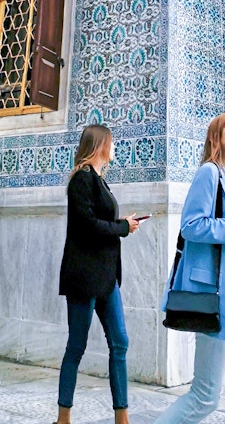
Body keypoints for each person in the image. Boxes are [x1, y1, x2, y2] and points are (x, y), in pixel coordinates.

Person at [156, 112, 225, 424]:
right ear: (215, 137)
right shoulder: (210, 173)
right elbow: (192, 226)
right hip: (216, 295)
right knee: (206, 396)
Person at [55, 125, 139, 424]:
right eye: (111, 143)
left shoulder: (100, 181)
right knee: (77, 345)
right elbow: (87, 225)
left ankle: (122, 416)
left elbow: (101, 221)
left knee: (120, 341)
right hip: (85, 275)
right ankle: (63, 416)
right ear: (100, 145)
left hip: (106, 277)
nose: (114, 148)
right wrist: (122, 227)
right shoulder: (82, 178)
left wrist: (123, 223)